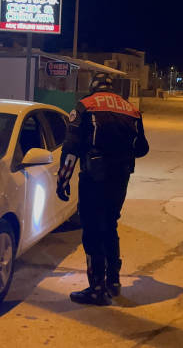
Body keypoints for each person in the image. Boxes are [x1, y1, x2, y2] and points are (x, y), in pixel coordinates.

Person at [56, 73, 150, 306]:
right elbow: (142, 149)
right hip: (121, 177)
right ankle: (113, 282)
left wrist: (63, 180)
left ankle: (96, 288)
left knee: (92, 229)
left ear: (93, 88)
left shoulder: (86, 105)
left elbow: (71, 148)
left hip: (94, 176)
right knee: (110, 224)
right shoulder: (131, 109)